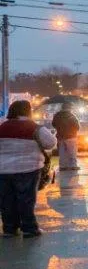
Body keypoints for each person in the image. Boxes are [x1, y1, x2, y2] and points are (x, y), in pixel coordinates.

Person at [0, 100, 57, 237]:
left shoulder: (2, 127)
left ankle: (9, 228)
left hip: (3, 170)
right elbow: (50, 143)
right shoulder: (35, 128)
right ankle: (29, 228)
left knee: (7, 200)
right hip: (28, 169)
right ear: (28, 111)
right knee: (26, 199)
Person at [51, 102, 81, 171]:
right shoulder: (71, 116)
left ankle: (62, 166)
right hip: (71, 137)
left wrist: (59, 128)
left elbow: (53, 124)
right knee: (72, 152)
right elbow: (77, 126)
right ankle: (73, 165)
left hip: (60, 136)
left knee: (62, 152)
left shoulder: (57, 115)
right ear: (69, 108)